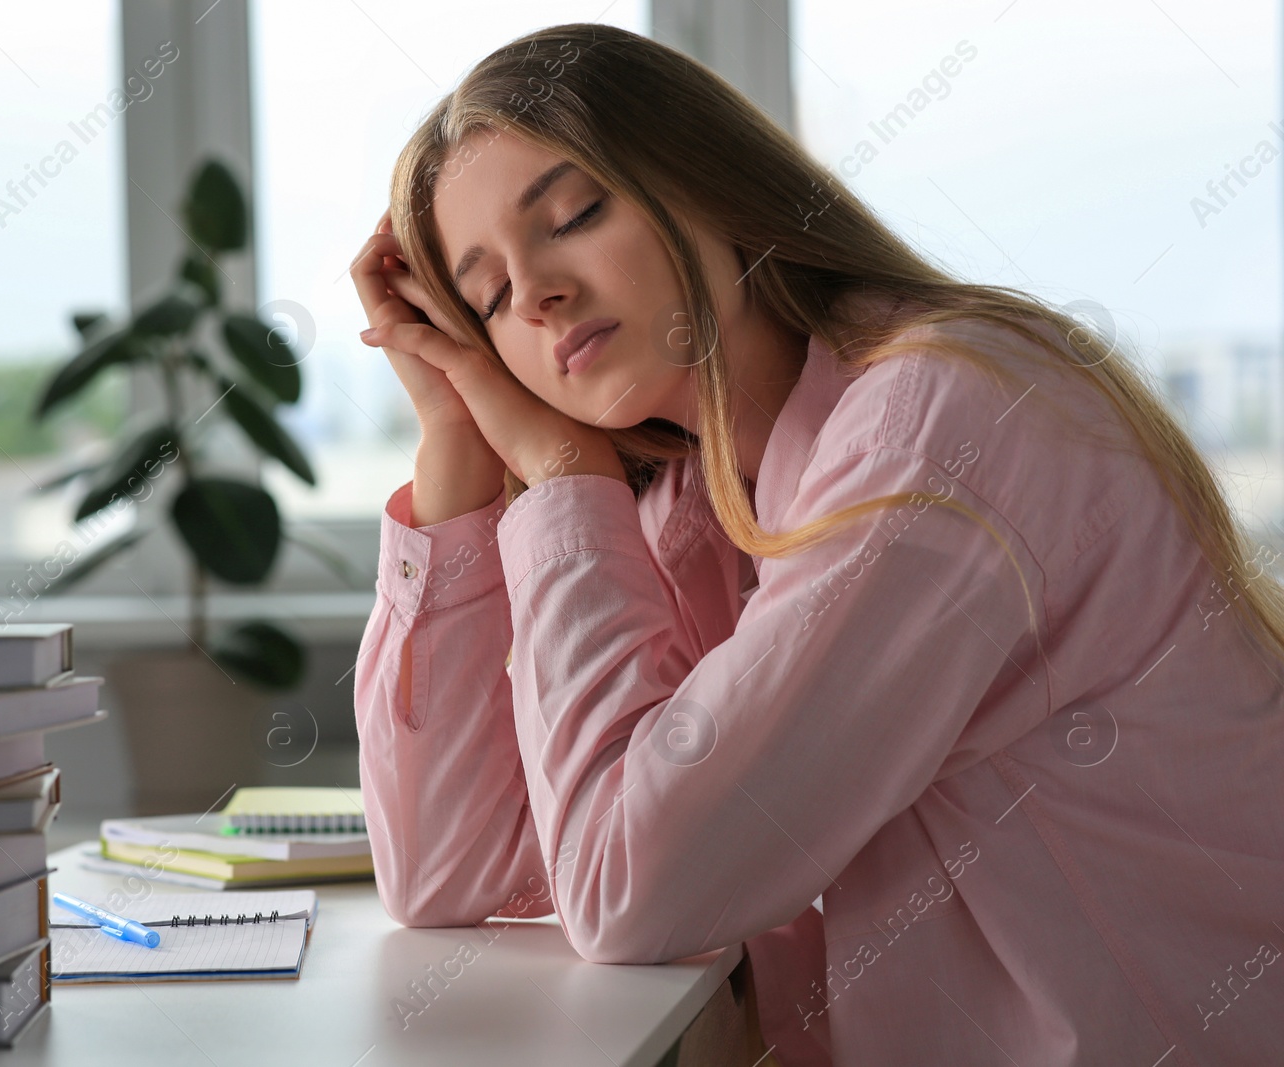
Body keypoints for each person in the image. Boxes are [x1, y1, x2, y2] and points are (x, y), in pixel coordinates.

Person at [348, 21, 1284, 1067]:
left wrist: (566, 479)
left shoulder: (935, 421)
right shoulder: (699, 508)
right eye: (485, 299)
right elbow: (447, 871)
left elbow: (631, 887)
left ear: (708, 183)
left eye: (572, 215)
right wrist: (453, 446)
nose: (533, 295)